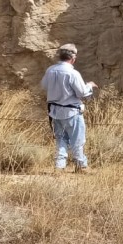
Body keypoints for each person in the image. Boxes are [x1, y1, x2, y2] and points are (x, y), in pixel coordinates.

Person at [40, 43, 97, 173]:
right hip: (72, 111)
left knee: (61, 138)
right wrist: (89, 85)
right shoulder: (72, 73)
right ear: (73, 58)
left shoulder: (50, 70)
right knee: (77, 139)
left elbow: (44, 86)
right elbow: (82, 93)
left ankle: (59, 166)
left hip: (55, 111)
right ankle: (81, 166)